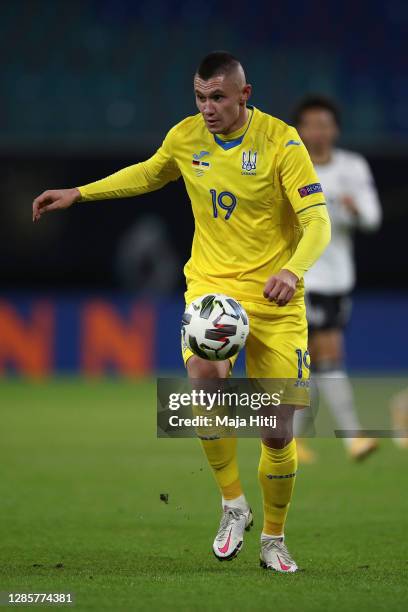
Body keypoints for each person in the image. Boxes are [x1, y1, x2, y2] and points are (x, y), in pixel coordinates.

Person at [32, 52, 331, 572]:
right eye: (200, 96)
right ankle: (233, 505)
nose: (207, 108)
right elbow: (149, 174)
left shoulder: (282, 141)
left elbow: (317, 220)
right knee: (203, 383)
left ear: (245, 94)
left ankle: (274, 538)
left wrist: (294, 270)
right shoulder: (185, 137)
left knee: (277, 429)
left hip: (276, 296)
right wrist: (80, 193)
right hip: (212, 287)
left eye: (217, 97)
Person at [293, 96, 382, 462]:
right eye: (311, 124)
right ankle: (353, 437)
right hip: (303, 276)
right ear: (298, 130)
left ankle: (292, 440)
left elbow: (373, 219)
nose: (318, 131)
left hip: (339, 278)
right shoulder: (290, 165)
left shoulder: (352, 166)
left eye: (324, 123)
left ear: (336, 129)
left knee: (312, 361)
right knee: (328, 352)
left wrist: (353, 210)